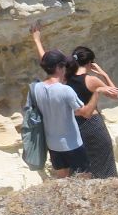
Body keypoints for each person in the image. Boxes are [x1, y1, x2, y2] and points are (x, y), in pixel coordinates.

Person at [32, 24, 118, 179]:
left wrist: (37, 40)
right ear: (90, 63)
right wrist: (104, 74)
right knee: (104, 166)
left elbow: (46, 60)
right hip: (93, 126)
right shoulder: (92, 80)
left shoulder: (64, 77)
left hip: (74, 127)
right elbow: (115, 94)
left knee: (80, 170)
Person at [29, 49, 97, 178]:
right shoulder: (65, 90)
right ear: (59, 67)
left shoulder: (36, 88)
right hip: (72, 144)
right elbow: (86, 113)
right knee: (84, 178)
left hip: (53, 144)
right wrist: (97, 92)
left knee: (62, 179)